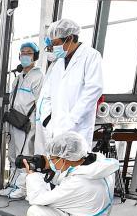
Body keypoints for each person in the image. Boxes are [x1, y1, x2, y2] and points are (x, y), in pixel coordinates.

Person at [25, 130, 119, 216]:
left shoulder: (79, 183)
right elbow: (69, 175)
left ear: (63, 159)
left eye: (51, 158)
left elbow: (37, 199)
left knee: (35, 213)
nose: (49, 161)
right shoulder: (97, 162)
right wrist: (48, 169)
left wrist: (32, 175)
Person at [39, 18, 103, 153]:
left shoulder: (91, 56)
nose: (53, 47)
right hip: (54, 128)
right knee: (55, 169)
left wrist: (71, 120)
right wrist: (47, 121)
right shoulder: (58, 63)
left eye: (56, 43)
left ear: (69, 38)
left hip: (78, 129)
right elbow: (47, 96)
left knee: (74, 169)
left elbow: (93, 91)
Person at [0, 41, 43, 199]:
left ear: (35, 56)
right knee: (12, 155)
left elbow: (40, 103)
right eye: (22, 53)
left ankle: (22, 188)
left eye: (28, 53)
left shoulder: (38, 77)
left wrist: (35, 123)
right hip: (14, 121)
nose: (25, 56)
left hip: (27, 123)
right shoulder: (18, 78)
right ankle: (12, 185)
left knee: (24, 156)